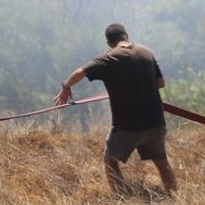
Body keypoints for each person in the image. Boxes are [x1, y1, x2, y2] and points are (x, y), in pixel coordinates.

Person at [54, 23, 176, 195]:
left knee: (110, 160)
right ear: (126, 35)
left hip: (128, 126)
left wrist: (66, 87)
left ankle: (122, 200)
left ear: (109, 43)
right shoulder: (145, 51)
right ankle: (174, 197)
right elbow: (160, 83)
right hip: (156, 122)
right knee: (162, 162)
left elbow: (80, 72)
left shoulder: (108, 58)